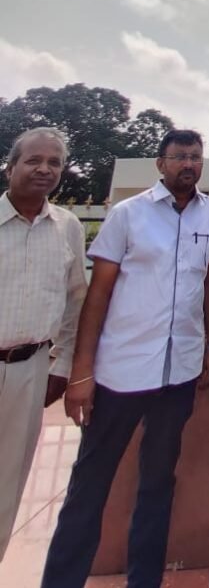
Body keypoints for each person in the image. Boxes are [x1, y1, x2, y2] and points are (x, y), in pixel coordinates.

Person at [41, 129, 209, 588]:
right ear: (160, 164)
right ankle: (62, 579)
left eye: (195, 157)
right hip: (121, 371)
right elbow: (98, 295)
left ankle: (144, 580)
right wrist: (81, 373)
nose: (189, 164)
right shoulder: (129, 215)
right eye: (179, 157)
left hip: (179, 371)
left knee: (158, 482)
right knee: (91, 483)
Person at [0, 128, 86, 561]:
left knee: (7, 484)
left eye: (54, 162)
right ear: (10, 167)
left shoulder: (67, 228)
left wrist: (63, 364)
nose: (45, 169)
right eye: (34, 161)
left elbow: (76, 303)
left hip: (31, 369)